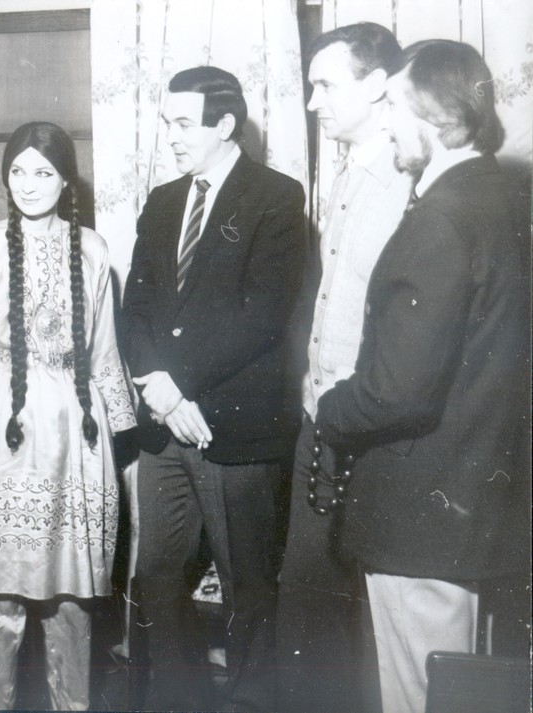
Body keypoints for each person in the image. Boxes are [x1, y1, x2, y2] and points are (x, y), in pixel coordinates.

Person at [313, 39, 530, 713]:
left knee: (419, 694)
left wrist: (329, 407)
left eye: (394, 109)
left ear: (432, 121)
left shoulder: (440, 218)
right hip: (476, 506)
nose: (387, 126)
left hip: (421, 515)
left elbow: (397, 391)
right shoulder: (504, 197)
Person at [121, 65, 306, 712]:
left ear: (224, 124)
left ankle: (252, 704)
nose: (170, 136)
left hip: (236, 429)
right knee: (157, 577)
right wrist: (160, 391)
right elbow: (135, 309)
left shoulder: (277, 197)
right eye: (166, 122)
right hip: (165, 425)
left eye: (183, 123)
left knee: (247, 588)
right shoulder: (162, 200)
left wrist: (180, 387)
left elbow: (263, 316)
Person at [0, 121, 134, 711]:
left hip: (77, 435)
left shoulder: (94, 249)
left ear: (66, 180)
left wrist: (122, 444)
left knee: (71, 599)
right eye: (18, 171)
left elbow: (104, 352)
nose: (28, 184)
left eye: (43, 172)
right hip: (5, 429)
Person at [274, 23, 412, 713]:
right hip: (321, 420)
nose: (312, 103)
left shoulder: (409, 181)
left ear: (379, 84)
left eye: (326, 85)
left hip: (371, 431)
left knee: (362, 624)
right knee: (309, 603)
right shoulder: (348, 173)